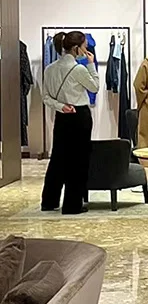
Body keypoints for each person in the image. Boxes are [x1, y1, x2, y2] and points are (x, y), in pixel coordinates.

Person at [41, 30, 99, 215]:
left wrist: (60, 106)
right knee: (79, 160)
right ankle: (72, 205)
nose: (86, 49)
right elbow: (94, 87)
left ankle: (49, 201)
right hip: (79, 115)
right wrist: (91, 65)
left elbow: (46, 97)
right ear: (76, 48)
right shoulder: (79, 69)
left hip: (62, 115)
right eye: (84, 46)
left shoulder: (49, 69)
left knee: (58, 157)